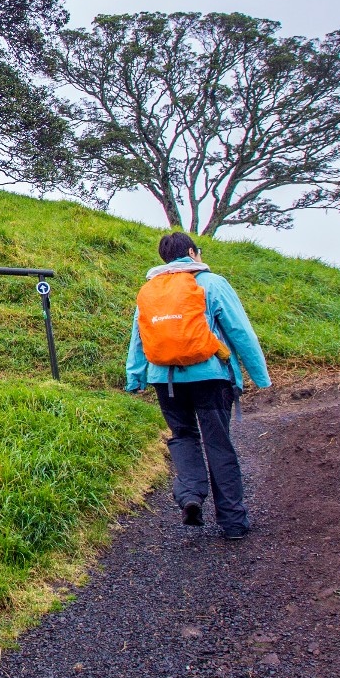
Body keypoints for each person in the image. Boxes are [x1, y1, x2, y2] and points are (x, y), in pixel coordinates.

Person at [125, 231, 271, 539]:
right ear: (192, 252)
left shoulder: (150, 290)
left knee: (183, 436)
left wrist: (135, 377)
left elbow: (139, 339)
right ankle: (232, 523)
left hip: (164, 379)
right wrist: (259, 376)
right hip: (211, 376)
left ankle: (190, 494)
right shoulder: (212, 283)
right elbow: (240, 332)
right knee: (217, 443)